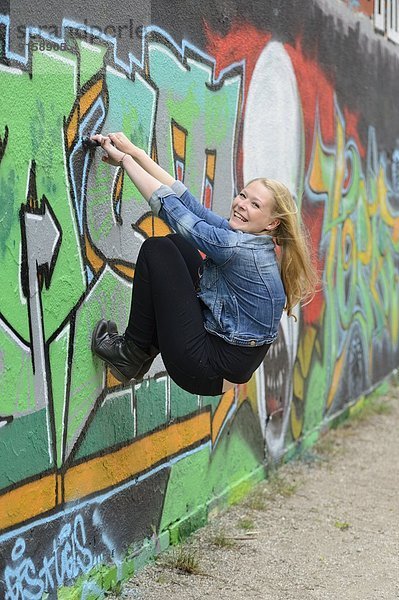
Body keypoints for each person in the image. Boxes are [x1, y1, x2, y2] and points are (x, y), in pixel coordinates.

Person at [91, 132, 317, 396]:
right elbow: (193, 207)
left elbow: (175, 213)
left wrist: (126, 163)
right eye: (243, 196)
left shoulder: (240, 249)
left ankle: (130, 353)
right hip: (214, 357)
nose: (242, 205)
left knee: (158, 250)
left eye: (255, 204)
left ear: (271, 223)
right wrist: (136, 153)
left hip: (203, 369)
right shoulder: (253, 242)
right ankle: (140, 352)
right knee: (178, 245)